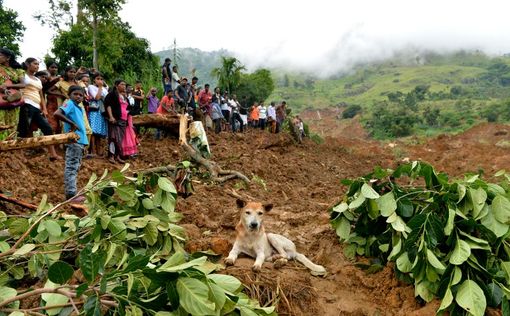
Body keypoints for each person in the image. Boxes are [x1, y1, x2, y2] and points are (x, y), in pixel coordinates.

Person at [16, 58, 61, 160]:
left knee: (47, 128)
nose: (37, 66)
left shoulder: (37, 80)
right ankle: (20, 155)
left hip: (36, 107)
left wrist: (44, 109)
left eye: (38, 64)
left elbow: (41, 95)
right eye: (35, 64)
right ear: (27, 64)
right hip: (26, 104)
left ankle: (53, 154)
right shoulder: (23, 75)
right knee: (23, 130)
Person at [53, 85, 88, 203]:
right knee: (71, 167)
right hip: (74, 141)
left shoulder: (79, 108)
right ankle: (71, 195)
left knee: (75, 167)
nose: (78, 97)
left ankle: (72, 192)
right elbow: (57, 113)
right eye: (75, 94)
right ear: (69, 95)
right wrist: (71, 123)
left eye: (81, 95)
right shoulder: (69, 104)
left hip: (79, 142)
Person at [0, 48, 25, 140]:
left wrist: (9, 85)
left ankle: (11, 149)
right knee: (1, 124)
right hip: (1, 98)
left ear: (8, 57)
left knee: (13, 124)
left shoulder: (18, 70)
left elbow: (23, 84)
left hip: (12, 98)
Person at [104, 79, 128, 164]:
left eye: (125, 85)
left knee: (120, 139)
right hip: (115, 119)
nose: (124, 86)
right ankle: (111, 156)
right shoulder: (112, 94)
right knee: (113, 138)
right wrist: (111, 116)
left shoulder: (124, 96)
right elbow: (108, 105)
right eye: (122, 84)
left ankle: (117, 156)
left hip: (123, 120)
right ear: (116, 85)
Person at [87, 72, 108, 157]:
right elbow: (97, 97)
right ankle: (93, 151)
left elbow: (106, 99)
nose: (100, 80)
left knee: (99, 131)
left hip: (102, 110)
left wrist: (102, 87)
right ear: (94, 80)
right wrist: (99, 87)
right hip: (94, 110)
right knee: (93, 130)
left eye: (101, 79)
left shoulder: (105, 89)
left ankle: (99, 151)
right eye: (98, 79)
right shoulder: (91, 87)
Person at [43, 61, 62, 134]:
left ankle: (59, 144)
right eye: (52, 67)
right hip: (50, 102)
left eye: (56, 67)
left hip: (60, 102)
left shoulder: (61, 79)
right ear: (48, 68)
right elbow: (46, 90)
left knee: (60, 123)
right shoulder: (46, 78)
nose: (54, 69)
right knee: (51, 122)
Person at [122, 84, 138, 158]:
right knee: (126, 135)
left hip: (128, 118)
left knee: (130, 133)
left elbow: (131, 108)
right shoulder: (122, 99)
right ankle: (125, 152)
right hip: (123, 118)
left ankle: (130, 151)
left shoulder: (129, 99)